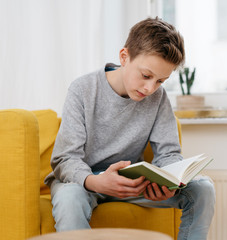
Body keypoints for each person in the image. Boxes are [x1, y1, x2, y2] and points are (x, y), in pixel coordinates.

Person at [44, 17, 215, 240]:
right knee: (69, 200)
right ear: (124, 57)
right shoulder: (82, 89)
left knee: (203, 188)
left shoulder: (158, 97)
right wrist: (96, 181)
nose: (150, 88)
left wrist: (170, 182)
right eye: (146, 76)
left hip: (130, 183)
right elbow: (64, 159)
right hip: (83, 182)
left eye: (160, 81)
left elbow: (169, 153)